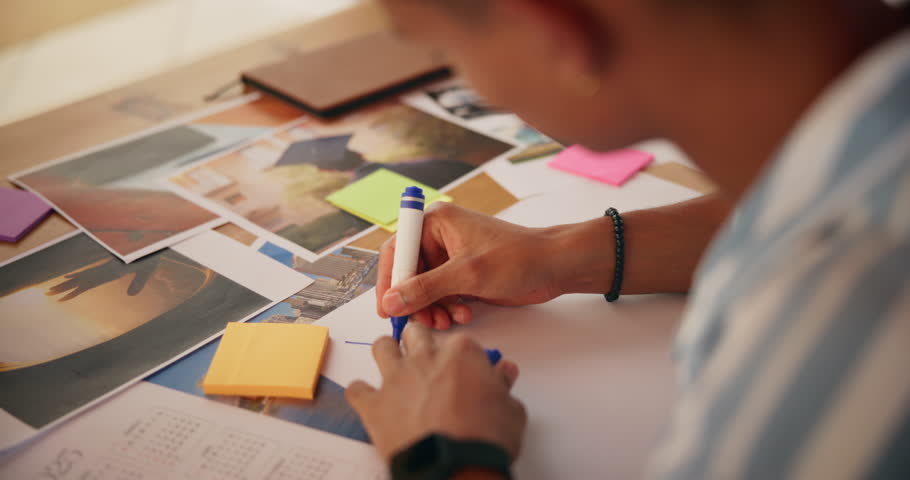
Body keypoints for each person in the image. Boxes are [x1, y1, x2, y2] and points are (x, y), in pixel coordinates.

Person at [345, 0, 910, 478]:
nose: (476, 87)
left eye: (446, 52)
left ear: (553, 31)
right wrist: (559, 254)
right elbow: (788, 199)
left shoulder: (848, 302)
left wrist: (454, 459)